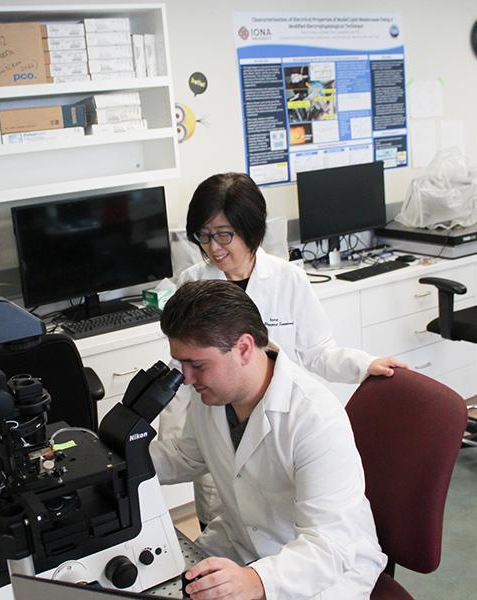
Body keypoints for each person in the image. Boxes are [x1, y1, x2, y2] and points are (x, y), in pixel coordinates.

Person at [159, 172, 406, 525]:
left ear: (252, 230)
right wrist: (171, 446)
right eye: (204, 235)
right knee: (224, 529)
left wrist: (364, 365)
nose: (214, 248)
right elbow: (184, 375)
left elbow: (317, 352)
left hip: (275, 429)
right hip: (217, 427)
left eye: (224, 234)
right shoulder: (193, 284)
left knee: (279, 526)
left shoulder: (287, 279)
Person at [150, 280, 386, 600]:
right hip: (242, 542)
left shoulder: (314, 418)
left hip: (321, 570)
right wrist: (117, 459)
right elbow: (186, 457)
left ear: (244, 348)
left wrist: (257, 580)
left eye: (198, 365)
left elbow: (330, 545)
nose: (187, 379)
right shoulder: (214, 397)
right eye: (182, 363)